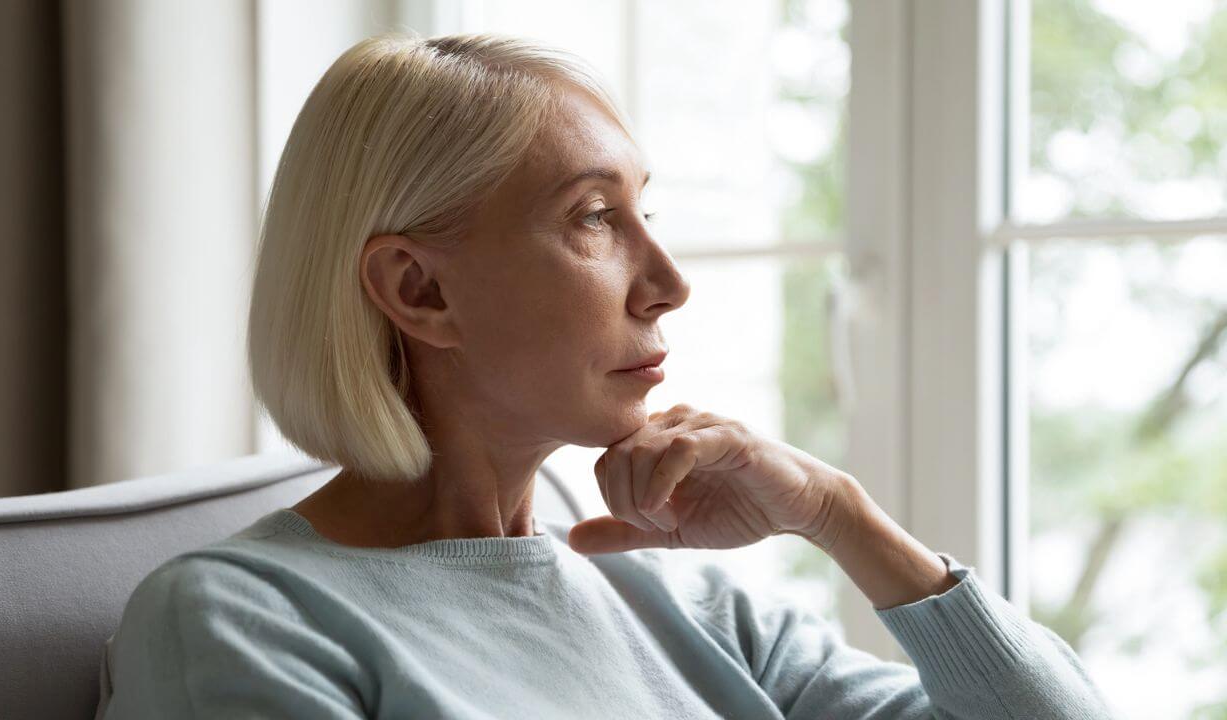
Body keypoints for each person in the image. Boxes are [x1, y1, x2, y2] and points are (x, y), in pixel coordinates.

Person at [98, 31, 1114, 719]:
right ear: (418, 290)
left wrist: (835, 512)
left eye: (645, 215)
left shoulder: (683, 606)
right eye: (592, 217)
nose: (666, 284)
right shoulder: (238, 620)